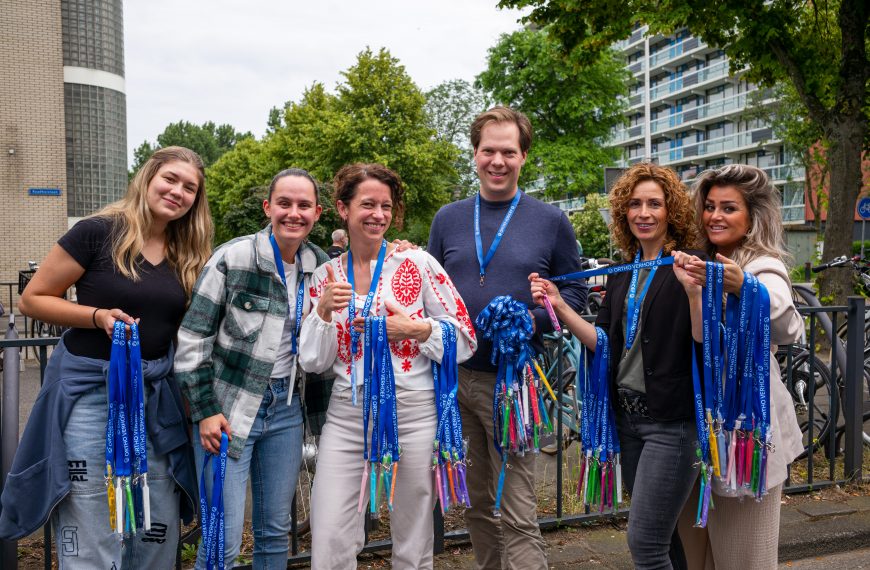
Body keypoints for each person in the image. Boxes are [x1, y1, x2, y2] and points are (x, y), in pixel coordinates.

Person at [0, 146, 212, 567]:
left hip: (155, 400)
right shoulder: (97, 231)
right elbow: (33, 299)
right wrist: (95, 316)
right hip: (90, 396)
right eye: (170, 179)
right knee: (93, 516)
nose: (178, 192)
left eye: (190, 188)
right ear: (147, 177)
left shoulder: (189, 252)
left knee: (156, 520)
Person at [427, 106, 587, 569]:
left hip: (517, 386)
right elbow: (427, 284)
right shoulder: (448, 219)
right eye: (488, 151)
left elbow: (574, 292)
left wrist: (532, 319)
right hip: (458, 381)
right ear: (474, 155)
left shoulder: (550, 220)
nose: (498, 161)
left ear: (523, 157)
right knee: (478, 505)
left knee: (517, 510)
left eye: (508, 152)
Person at [299, 162, 477, 569]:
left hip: (413, 413)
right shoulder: (324, 277)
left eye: (386, 205)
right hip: (346, 417)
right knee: (329, 538)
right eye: (367, 204)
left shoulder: (417, 264)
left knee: (414, 537)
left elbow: (466, 337)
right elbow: (312, 360)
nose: (378, 214)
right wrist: (323, 312)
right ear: (343, 209)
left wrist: (413, 329)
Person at [530, 162, 701, 569]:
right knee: (663, 537)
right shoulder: (625, 270)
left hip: (672, 423)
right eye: (635, 204)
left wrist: (694, 294)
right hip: (629, 421)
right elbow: (602, 342)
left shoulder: (688, 263)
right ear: (624, 212)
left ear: (671, 210)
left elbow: (703, 341)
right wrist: (558, 304)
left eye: (654, 204)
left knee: (644, 542)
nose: (644, 212)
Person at [174, 168, 329, 569]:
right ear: (268, 207)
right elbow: (192, 340)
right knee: (222, 538)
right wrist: (205, 409)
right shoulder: (233, 257)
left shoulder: (321, 267)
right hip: (228, 411)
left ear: (318, 213)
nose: (293, 213)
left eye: (304, 205)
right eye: (284, 203)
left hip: (286, 410)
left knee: (275, 532)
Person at [675, 164, 803, 569]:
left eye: (728, 208)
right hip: (701, 430)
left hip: (747, 434)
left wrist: (745, 286)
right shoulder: (700, 261)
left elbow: (786, 324)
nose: (715, 216)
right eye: (709, 206)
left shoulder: (761, 265)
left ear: (752, 217)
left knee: (746, 558)